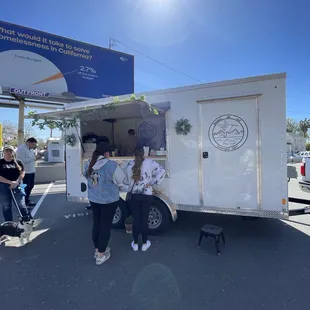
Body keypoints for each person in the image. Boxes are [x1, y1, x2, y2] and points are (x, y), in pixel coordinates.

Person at [83, 143, 125, 265]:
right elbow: (120, 180)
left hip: (94, 199)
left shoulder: (89, 163)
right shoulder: (111, 165)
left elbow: (86, 176)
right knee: (105, 226)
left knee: (97, 224)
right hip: (109, 200)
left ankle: (97, 250)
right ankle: (101, 255)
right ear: (106, 153)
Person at [123, 146, 166, 252]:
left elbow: (126, 181)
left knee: (136, 220)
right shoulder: (150, 163)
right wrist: (151, 183)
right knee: (144, 219)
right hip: (147, 195)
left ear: (133, 154)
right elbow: (162, 172)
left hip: (134, 196)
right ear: (144, 153)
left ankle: (136, 243)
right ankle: (145, 243)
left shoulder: (129, 165)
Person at [0, 145, 31, 222]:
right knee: (6, 206)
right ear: (3, 152)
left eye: (10, 151)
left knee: (21, 204)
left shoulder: (18, 162)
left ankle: (27, 221)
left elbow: (22, 173)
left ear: (13, 152)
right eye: (6, 150)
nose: (8, 152)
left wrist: (17, 182)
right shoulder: (0, 162)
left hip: (18, 186)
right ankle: (9, 223)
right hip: (3, 186)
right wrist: (10, 182)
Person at [16, 137, 38, 207]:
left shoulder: (31, 150)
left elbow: (31, 159)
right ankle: (23, 203)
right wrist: (34, 158)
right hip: (25, 172)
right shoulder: (21, 149)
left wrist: (35, 158)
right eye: (33, 144)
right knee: (24, 187)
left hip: (31, 171)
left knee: (30, 186)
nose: (34, 146)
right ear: (29, 142)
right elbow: (21, 161)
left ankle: (27, 201)